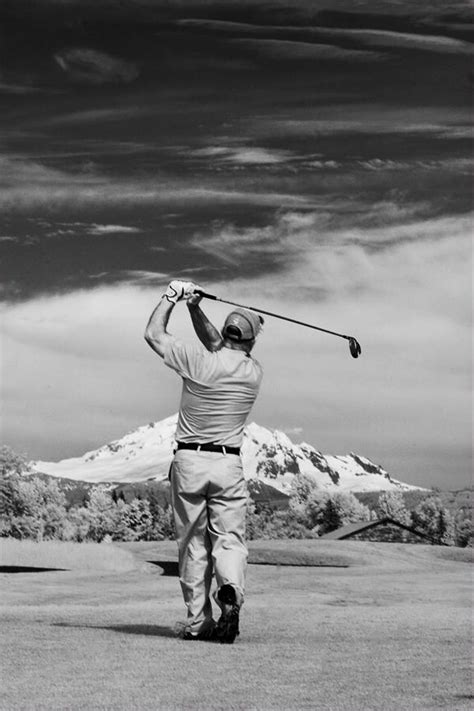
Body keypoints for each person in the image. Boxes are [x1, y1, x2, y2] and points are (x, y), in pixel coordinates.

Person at [144, 279, 264, 643]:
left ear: (226, 333)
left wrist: (173, 297)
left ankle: (198, 623)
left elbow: (153, 333)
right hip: (228, 464)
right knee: (229, 540)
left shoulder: (197, 362)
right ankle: (231, 591)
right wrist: (195, 308)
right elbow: (221, 346)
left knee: (194, 544)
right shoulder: (253, 372)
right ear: (251, 342)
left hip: (190, 461)